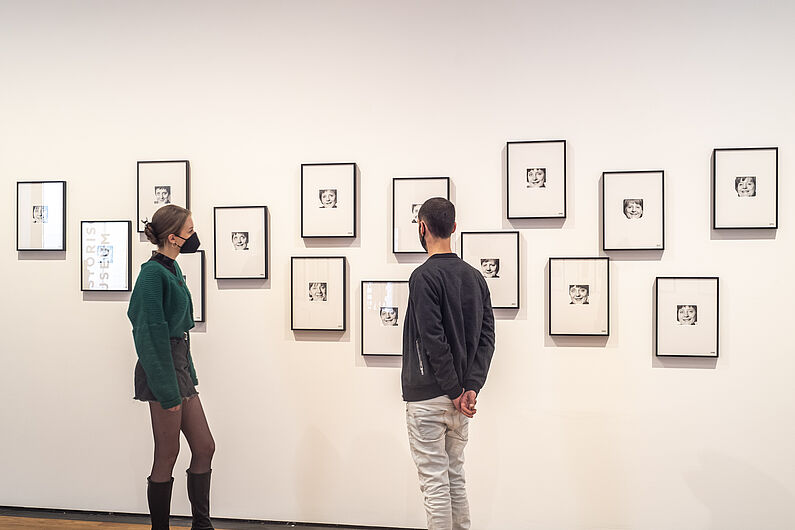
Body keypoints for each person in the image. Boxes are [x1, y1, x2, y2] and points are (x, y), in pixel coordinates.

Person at [402, 197, 495, 530]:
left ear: (422, 227)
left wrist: (458, 389)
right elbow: (487, 339)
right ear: (454, 228)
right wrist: (471, 387)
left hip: (430, 397)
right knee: (455, 479)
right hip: (460, 402)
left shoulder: (423, 277)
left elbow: (432, 338)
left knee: (436, 486)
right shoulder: (475, 278)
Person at [127, 204, 215, 530]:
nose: (194, 237)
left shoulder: (172, 269)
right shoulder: (152, 274)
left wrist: (188, 373)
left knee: (205, 446)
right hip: (161, 367)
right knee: (167, 453)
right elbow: (148, 334)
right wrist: (167, 390)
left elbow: (180, 331)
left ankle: (202, 525)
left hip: (177, 365)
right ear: (174, 237)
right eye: (190, 231)